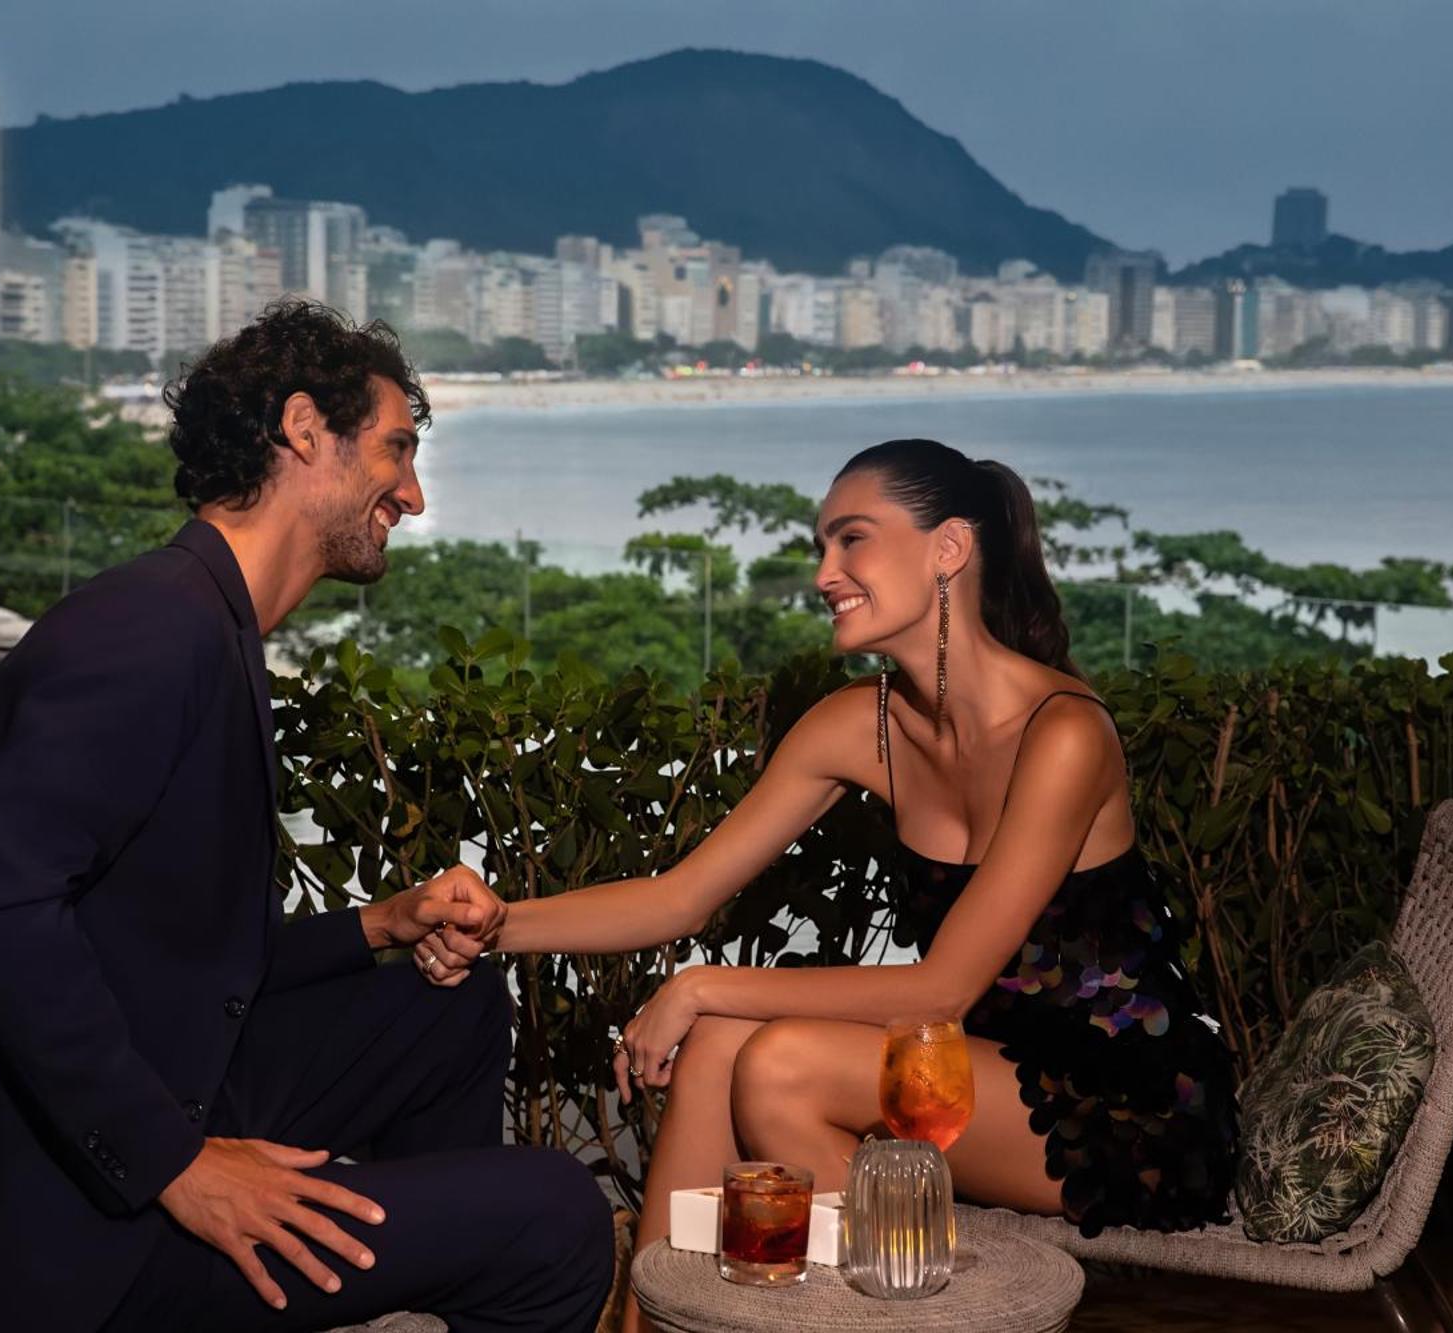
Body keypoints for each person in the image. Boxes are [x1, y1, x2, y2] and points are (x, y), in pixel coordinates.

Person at [0, 300, 612, 1333]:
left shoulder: (204, 621)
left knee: (455, 1008)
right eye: (396, 448)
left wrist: (380, 925)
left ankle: (402, 1268)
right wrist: (178, 1166)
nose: (414, 491)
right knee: (559, 1213)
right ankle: (419, 1250)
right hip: (57, 1234)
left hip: (145, 1098)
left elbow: (171, 955)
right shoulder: (147, 633)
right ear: (305, 430)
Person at [414, 438, 1239, 1331]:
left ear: (948, 549)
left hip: (1127, 1100)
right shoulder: (862, 724)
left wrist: (694, 984)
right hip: (974, 1069)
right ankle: (657, 1324)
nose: (823, 573)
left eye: (852, 540)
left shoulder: (1065, 732)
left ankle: (912, 1307)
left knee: (773, 1064)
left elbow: (940, 988)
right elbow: (680, 895)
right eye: (822, 546)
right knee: (724, 1044)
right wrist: (491, 926)